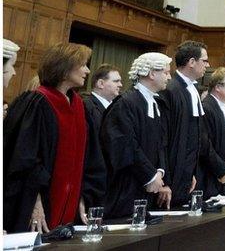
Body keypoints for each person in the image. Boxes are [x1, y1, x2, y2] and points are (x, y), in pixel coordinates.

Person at [3, 43, 102, 233]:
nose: (87, 70)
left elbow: (90, 159)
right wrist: (34, 202)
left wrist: (82, 195)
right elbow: (24, 160)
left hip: (70, 207)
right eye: (82, 65)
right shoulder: (37, 102)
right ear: (64, 68)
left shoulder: (79, 106)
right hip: (37, 204)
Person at [101, 52, 173, 219]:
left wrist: (160, 172)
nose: (169, 77)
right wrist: (149, 175)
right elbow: (125, 145)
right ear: (152, 73)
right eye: (166, 72)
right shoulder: (125, 103)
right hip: (125, 188)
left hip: (149, 187)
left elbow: (160, 143)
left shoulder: (155, 103)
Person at [156, 40, 209, 207]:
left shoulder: (191, 89)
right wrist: (164, 180)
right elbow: (163, 138)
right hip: (170, 175)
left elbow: (194, 135)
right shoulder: (170, 90)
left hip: (185, 174)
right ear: (192, 62)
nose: (208, 64)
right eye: (205, 60)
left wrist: (190, 171)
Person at [82, 64, 122, 207]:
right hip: (93, 180)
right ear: (100, 83)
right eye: (116, 81)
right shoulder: (87, 106)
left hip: (109, 182)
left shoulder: (115, 108)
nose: (121, 85)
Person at [199, 68, 225, 199]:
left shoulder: (223, 108)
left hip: (223, 174)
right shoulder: (207, 107)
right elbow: (205, 144)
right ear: (218, 87)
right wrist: (222, 170)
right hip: (209, 175)